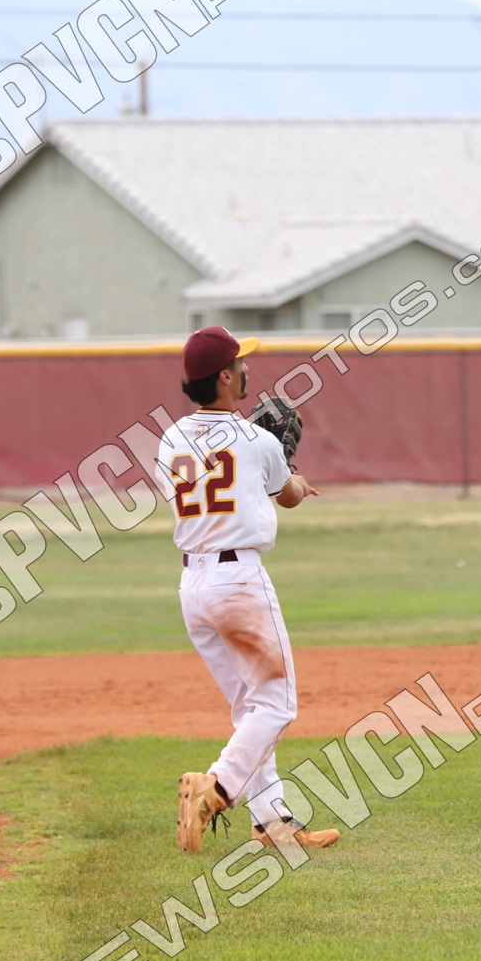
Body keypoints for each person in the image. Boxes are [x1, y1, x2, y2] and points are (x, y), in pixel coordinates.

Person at [161, 326, 339, 856]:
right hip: (238, 582)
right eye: (240, 364)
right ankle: (215, 787)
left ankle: (273, 822)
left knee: (250, 709)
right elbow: (287, 495)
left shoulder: (169, 439)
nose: (246, 370)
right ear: (223, 377)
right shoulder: (259, 442)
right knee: (278, 705)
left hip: (193, 585)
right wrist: (295, 477)